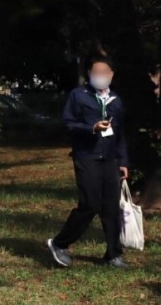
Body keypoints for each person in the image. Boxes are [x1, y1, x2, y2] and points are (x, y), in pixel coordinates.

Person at [47, 55, 129, 269]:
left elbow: (120, 133)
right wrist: (91, 128)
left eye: (105, 73)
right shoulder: (78, 96)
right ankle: (59, 243)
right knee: (90, 204)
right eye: (96, 72)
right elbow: (67, 124)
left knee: (111, 207)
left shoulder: (116, 101)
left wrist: (123, 161)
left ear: (111, 75)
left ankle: (113, 254)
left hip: (110, 159)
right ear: (90, 75)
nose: (100, 76)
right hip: (87, 156)